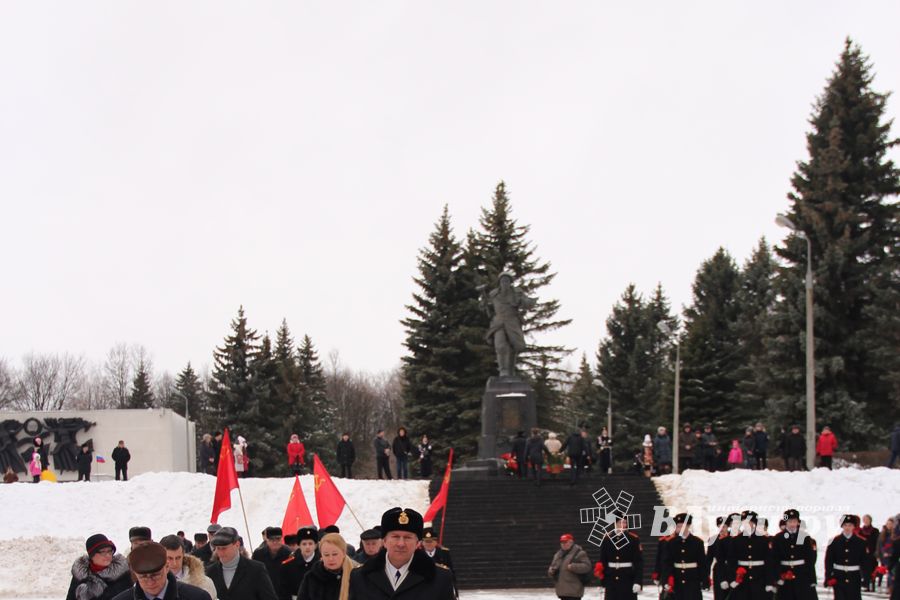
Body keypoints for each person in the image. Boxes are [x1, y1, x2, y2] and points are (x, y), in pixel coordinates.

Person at [349, 507, 455, 600]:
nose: (401, 544)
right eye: (395, 537)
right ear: (384, 541)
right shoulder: (360, 576)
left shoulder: (440, 577)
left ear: (418, 543)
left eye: (408, 537)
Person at [480, 271, 537, 377]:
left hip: (512, 322)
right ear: (499, 282)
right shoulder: (494, 294)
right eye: (502, 280)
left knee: (514, 347)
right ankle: (503, 371)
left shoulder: (517, 293)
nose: (504, 283)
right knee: (500, 346)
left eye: (507, 280)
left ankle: (510, 371)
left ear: (510, 282)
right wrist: (483, 303)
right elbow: (486, 306)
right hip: (498, 323)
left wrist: (525, 302)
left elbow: (527, 303)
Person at [112, 541, 211, 600]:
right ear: (134, 573)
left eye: (156, 575)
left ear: (167, 567)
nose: (150, 582)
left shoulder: (197, 597)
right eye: (143, 577)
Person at [206, 526, 278, 600]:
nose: (220, 553)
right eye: (218, 548)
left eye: (224, 548)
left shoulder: (256, 570)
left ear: (237, 545)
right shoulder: (210, 572)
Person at [66, 533, 132, 600]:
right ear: (92, 555)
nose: (108, 555)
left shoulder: (121, 573)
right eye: (103, 552)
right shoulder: (81, 574)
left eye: (109, 551)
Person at [727, 511, 775, 600]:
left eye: (749, 522)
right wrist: (734, 577)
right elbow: (731, 561)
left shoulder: (763, 540)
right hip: (742, 580)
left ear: (754, 523)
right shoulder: (736, 540)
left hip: (760, 578)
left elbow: (769, 562)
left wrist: (769, 582)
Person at [771, 509, 817, 600]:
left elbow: (809, 559)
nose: (792, 524)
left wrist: (812, 578)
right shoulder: (778, 538)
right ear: (785, 522)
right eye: (790, 521)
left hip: (802, 575)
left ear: (798, 522)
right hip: (785, 575)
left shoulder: (804, 537)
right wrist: (778, 576)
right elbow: (775, 559)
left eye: (794, 521)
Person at [297, 532, 358, 600]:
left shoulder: (356, 576)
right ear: (321, 555)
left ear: (343, 553)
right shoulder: (311, 577)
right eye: (326, 555)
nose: (331, 559)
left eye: (335, 554)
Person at [660, 513, 707, 600]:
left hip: (693, 579)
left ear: (688, 526)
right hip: (677, 580)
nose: (679, 528)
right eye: (678, 526)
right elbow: (667, 562)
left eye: (682, 526)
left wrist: (704, 580)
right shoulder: (671, 543)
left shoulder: (697, 542)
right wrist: (667, 579)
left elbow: (702, 563)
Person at [159, 534, 217, 599]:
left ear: (183, 554)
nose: (174, 563)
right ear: (161, 557)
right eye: (169, 558)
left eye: (178, 558)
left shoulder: (204, 583)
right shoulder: (151, 584)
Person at [599, 516, 643, 600]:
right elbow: (603, 560)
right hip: (611, 578)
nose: (622, 525)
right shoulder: (607, 538)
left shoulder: (633, 538)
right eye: (619, 523)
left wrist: (638, 581)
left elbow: (638, 562)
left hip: (627, 578)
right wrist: (602, 579)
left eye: (624, 523)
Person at [825, 515, 867, 600]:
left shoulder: (861, 542)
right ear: (842, 526)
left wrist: (866, 577)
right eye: (845, 525)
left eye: (850, 525)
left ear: (854, 527)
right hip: (839, 576)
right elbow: (829, 561)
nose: (847, 528)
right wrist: (828, 576)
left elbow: (864, 561)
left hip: (854, 576)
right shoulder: (834, 541)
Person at [548, 532, 592, 600]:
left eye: (565, 542)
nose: (563, 544)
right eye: (562, 542)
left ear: (571, 542)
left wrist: (573, 567)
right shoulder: (558, 555)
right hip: (561, 591)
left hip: (574, 591)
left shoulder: (579, 553)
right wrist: (551, 571)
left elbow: (587, 566)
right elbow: (552, 566)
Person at [280, 526, 320, 599]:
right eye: (304, 544)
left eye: (310, 543)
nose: (307, 547)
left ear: (316, 545)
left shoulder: (323, 564)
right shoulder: (288, 565)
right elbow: (284, 592)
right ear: (299, 545)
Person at [252, 527, 292, 600]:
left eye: (278, 539)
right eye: (272, 540)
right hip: (264, 594)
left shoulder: (288, 553)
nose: (275, 542)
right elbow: (253, 574)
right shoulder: (258, 554)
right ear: (266, 540)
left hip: (284, 594)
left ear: (282, 539)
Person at [858, 515, 878, 592]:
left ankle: (871, 585)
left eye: (867, 519)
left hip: (872, 554)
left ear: (870, 520)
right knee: (863, 571)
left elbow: (876, 542)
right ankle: (865, 585)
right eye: (864, 519)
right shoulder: (861, 531)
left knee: (872, 570)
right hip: (863, 555)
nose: (866, 521)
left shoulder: (875, 530)